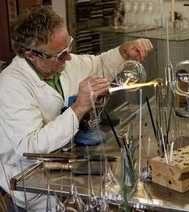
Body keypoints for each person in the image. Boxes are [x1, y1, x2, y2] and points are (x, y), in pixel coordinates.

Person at [0, 6, 153, 211]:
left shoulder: (62, 65)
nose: (69, 57)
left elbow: (98, 64)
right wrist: (79, 107)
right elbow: (30, 146)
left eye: (69, 47)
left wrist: (123, 52)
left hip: (67, 170)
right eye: (61, 54)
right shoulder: (11, 85)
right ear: (31, 55)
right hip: (32, 185)